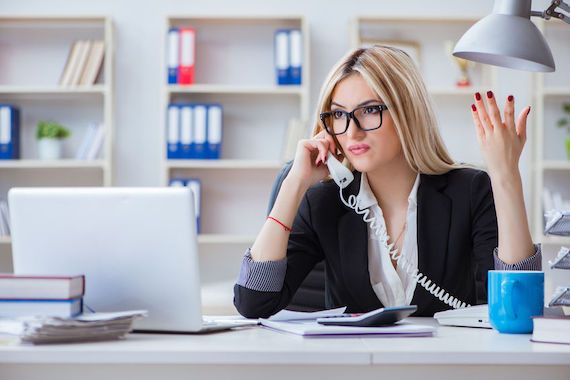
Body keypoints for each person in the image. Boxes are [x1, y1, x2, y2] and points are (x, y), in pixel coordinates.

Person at [234, 45, 541, 318]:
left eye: (369, 110)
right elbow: (253, 302)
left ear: (408, 113)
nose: (351, 131)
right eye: (338, 115)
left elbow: (520, 308)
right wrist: (294, 184)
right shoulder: (324, 201)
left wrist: (506, 175)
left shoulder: (469, 191)